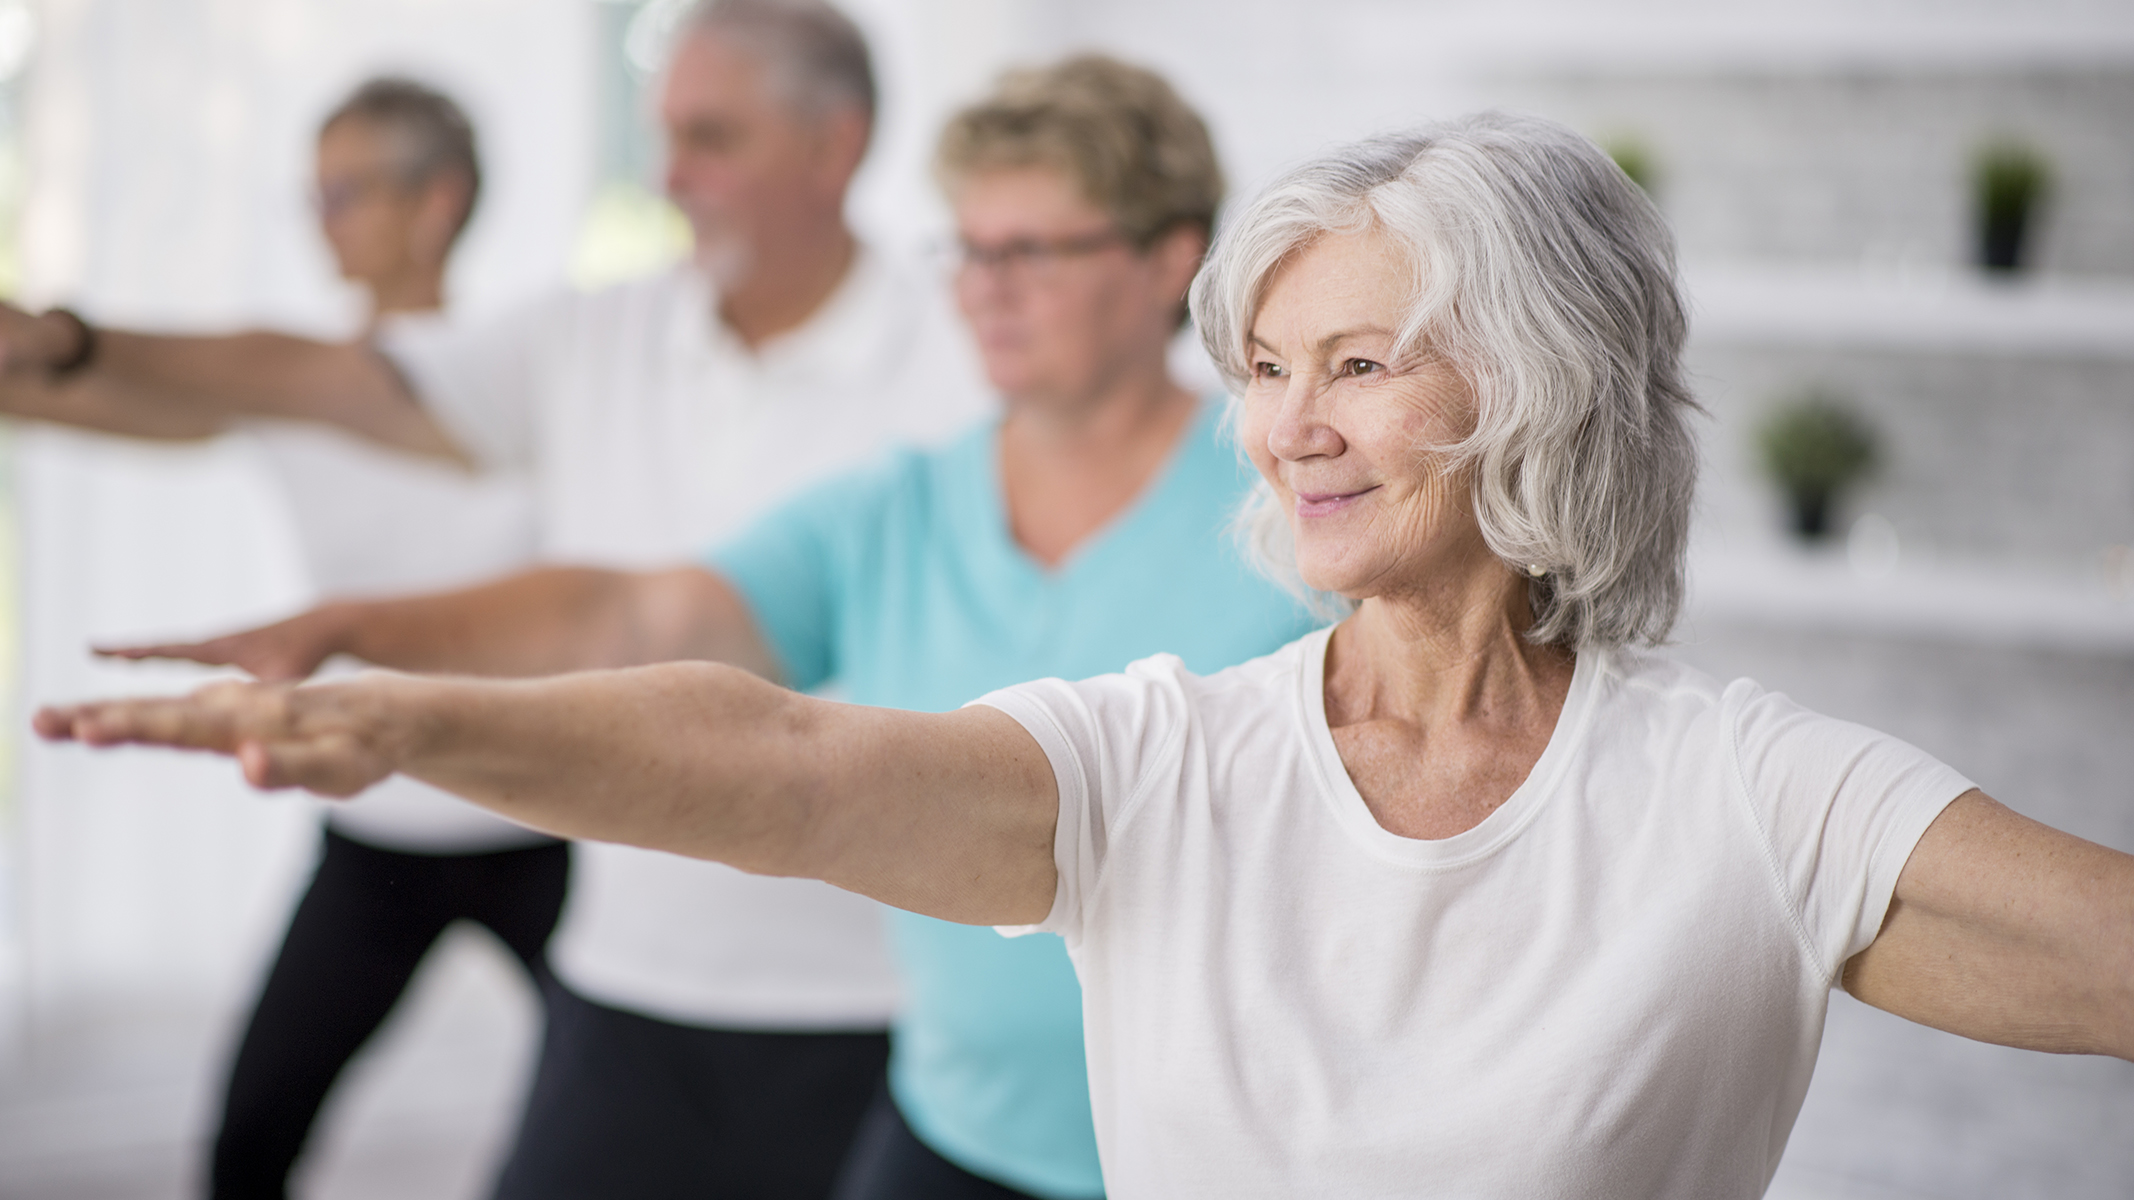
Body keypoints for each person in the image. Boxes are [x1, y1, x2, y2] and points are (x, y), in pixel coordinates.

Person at [39, 113, 2134, 1199]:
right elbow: (770, 759)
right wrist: (402, 719)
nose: (1292, 423)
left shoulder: (1746, 796)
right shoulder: (1163, 767)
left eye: (1361, 365)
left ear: (1547, 386)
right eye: (1265, 370)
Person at [97, 56, 1314, 1200]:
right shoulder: (896, 505)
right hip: (960, 1128)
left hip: (1212, 1144)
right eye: (968, 248)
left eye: (1034, 250)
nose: (985, 288)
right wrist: (353, 633)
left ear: (1169, 262)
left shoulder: (1295, 505)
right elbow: (638, 608)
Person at [3, 2, 990, 1196]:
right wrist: (67, 342)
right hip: (629, 974)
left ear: (836, 145)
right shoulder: (594, 334)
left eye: (711, 137)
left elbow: (651, 619)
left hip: (879, 993)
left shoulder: (966, 350)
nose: (669, 176)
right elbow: (322, 378)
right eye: (661, 134)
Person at [8, 75, 561, 1200]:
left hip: (544, 818)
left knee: (601, 1130)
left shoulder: (523, 369)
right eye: (311, 194)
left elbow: (296, 373)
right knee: (250, 1138)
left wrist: (64, 336)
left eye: (345, 191)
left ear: (437, 200)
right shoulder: (282, 390)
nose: (322, 220)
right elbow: (71, 392)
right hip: (378, 829)